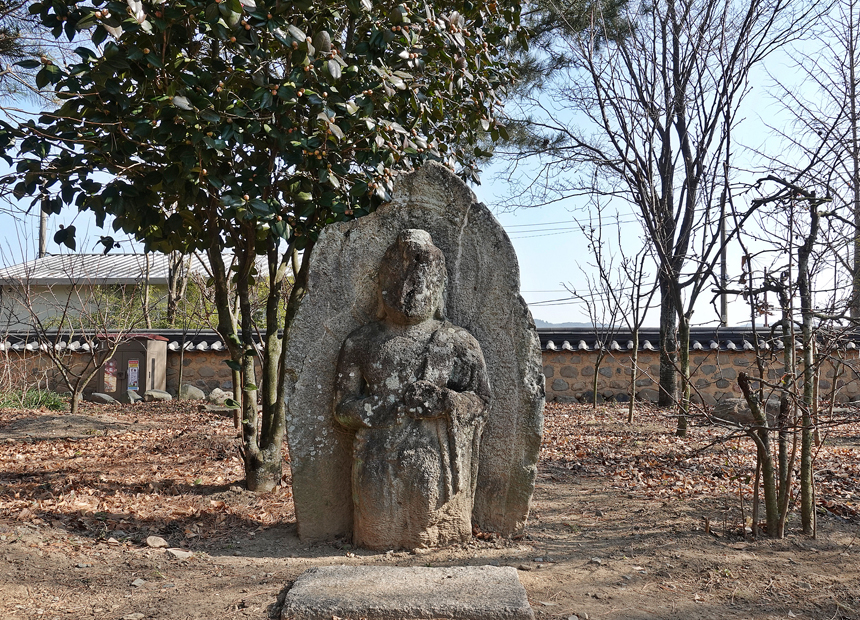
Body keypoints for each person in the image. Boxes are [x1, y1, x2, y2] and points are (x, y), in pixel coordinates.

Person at [333, 229, 491, 549]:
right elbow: (342, 407)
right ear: (380, 285)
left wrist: (447, 401)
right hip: (375, 454)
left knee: (428, 531)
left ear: (439, 286)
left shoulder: (457, 341)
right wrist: (378, 409)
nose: (407, 289)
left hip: (434, 455)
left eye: (421, 278)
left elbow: (482, 401)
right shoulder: (361, 342)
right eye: (395, 276)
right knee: (376, 533)